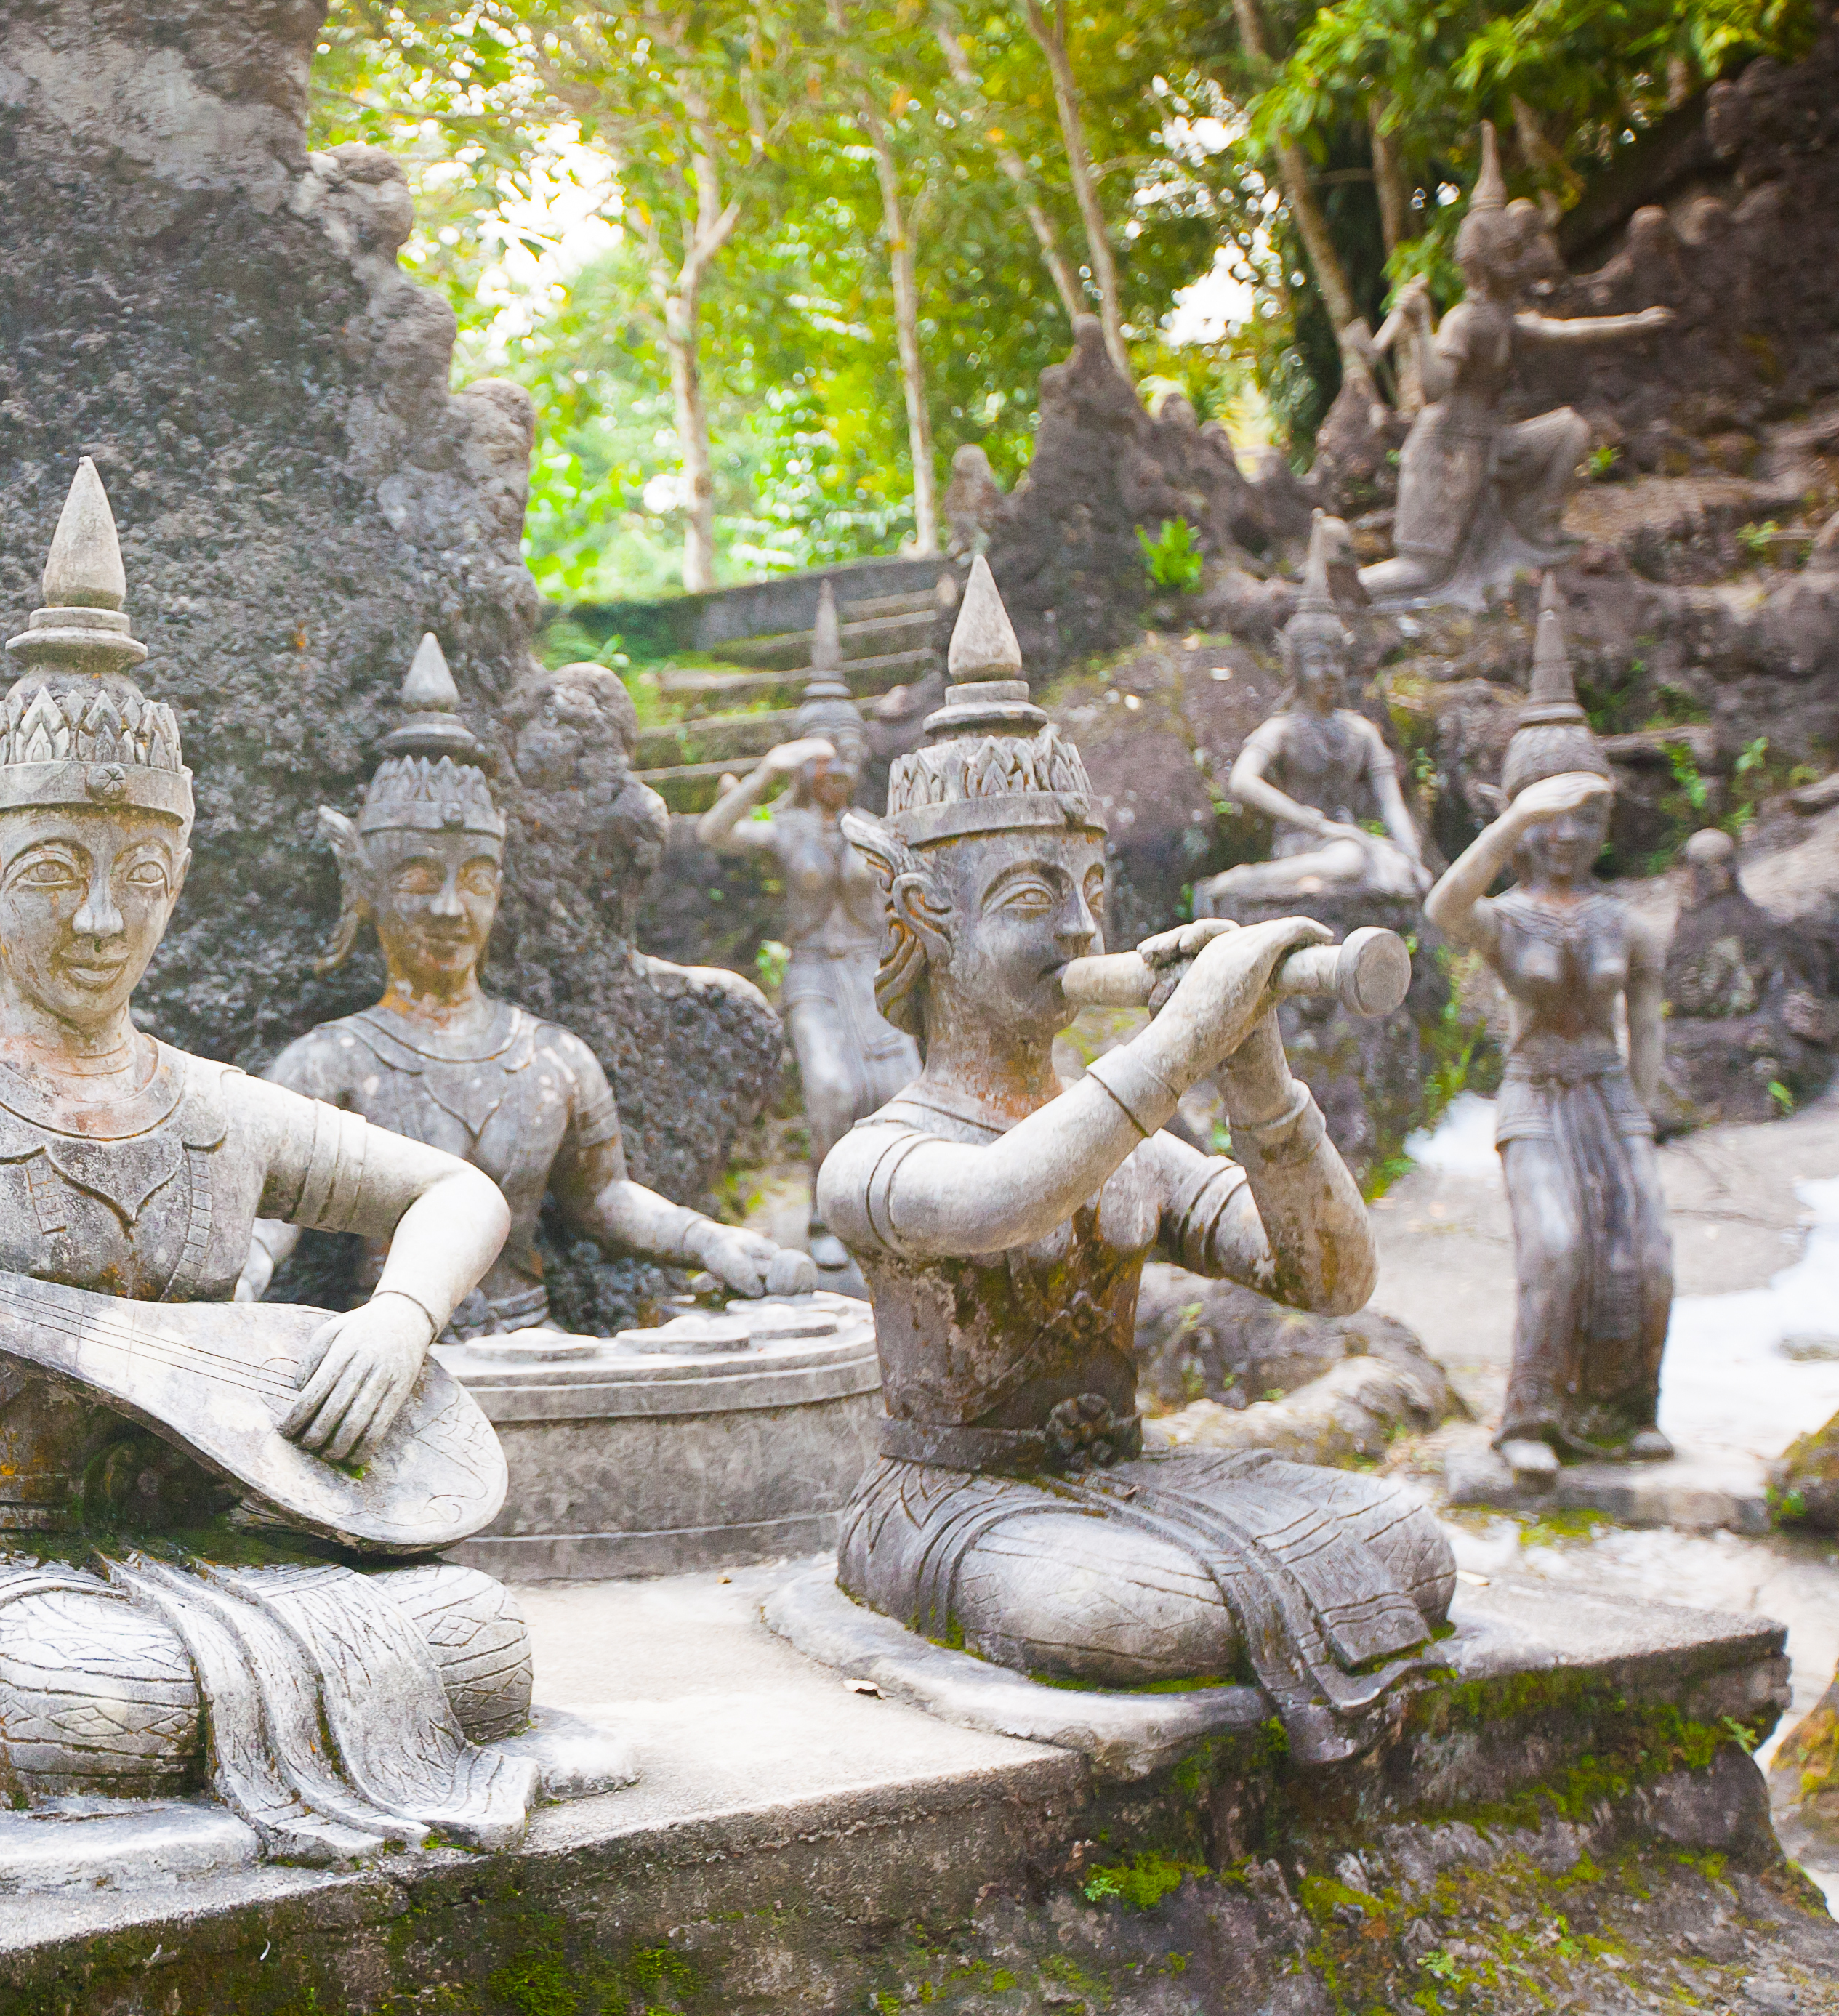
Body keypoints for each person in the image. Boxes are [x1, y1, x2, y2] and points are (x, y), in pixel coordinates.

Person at [0, 461, 563, 1864]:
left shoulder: (224, 1110)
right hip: (7, 1567)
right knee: (75, 1709)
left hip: (237, 1532)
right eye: (52, 870)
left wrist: (397, 1321)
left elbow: (454, 1191)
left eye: (139, 876)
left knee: (480, 1644)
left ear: (176, 878)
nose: (101, 918)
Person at [818, 559, 1454, 1765]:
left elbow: (1331, 1280)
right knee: (1137, 1616)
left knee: (1409, 1546)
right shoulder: (879, 1154)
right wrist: (1176, 1038)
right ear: (920, 923)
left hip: (1122, 1480)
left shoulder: (1137, 1153)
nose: (1076, 931)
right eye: (1029, 895)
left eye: (1091, 891)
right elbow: (1005, 1198)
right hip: (941, 1500)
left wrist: (1250, 1060)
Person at [247, 634, 811, 1332]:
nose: (450, 909)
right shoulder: (329, 1063)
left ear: (500, 891)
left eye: (475, 880)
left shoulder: (552, 1058)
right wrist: (241, 1267)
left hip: (535, 1343)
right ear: (365, 890)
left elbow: (606, 1201)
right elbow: (270, 1217)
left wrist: (709, 1240)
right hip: (389, 1352)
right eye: (419, 880)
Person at [1424, 599, 1673, 1478]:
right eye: (1550, 819)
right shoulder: (1507, 919)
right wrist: (1510, 824)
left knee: (1647, 1250)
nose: (1566, 837)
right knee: (1558, 1244)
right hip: (1534, 1091)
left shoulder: (1625, 921)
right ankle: (1529, 1416)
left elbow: (1645, 1025)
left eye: (1582, 816)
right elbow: (1444, 908)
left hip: (1607, 1091)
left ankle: (1628, 1407)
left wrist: (1642, 1116)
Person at [695, 586, 920, 1268]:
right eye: (828, 754)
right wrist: (767, 772)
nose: (842, 766)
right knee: (831, 1089)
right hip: (815, 970)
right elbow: (714, 830)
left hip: (873, 974)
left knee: (903, 1087)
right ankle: (825, 1208)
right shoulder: (787, 829)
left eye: (852, 751)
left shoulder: (878, 829)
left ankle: (897, 1201)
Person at [1364, 128, 1673, 608]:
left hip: (1493, 444)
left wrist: (1636, 323)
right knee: (1426, 570)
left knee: (1568, 429)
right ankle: (1325, 591)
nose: (1523, 265)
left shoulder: (1507, 320)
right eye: (1511, 256)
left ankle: (1538, 533)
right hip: (1445, 452)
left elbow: (1571, 334)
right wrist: (1422, 326)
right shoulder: (1464, 322)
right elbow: (1434, 389)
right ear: (1483, 264)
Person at [1199, 593, 1430, 912]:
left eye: (1337, 661)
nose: (1331, 672)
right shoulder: (1283, 729)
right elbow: (1241, 781)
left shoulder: (1361, 731)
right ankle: (1245, 879)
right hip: (1301, 841)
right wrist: (1311, 822)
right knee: (1349, 861)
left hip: (1350, 840)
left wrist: (1413, 857)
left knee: (1395, 870)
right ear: (1296, 666)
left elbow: (1391, 804)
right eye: (1318, 662)